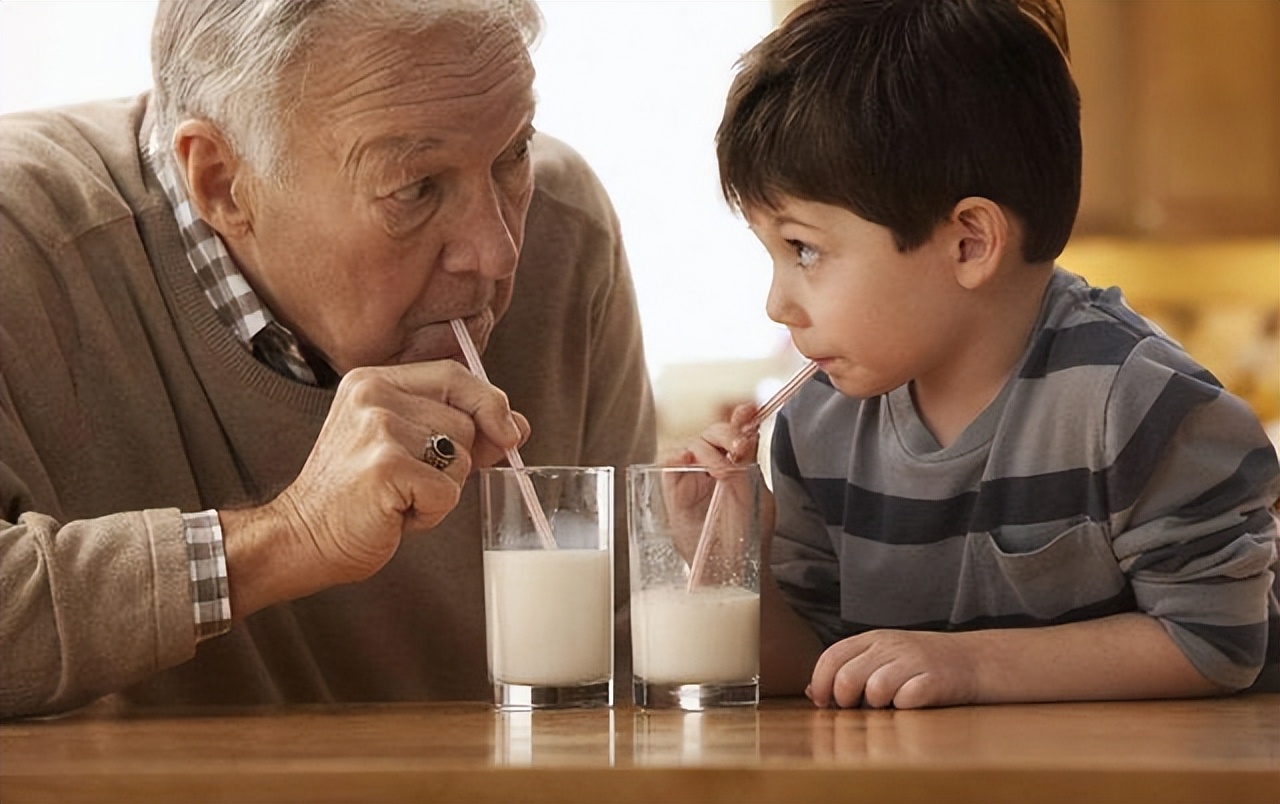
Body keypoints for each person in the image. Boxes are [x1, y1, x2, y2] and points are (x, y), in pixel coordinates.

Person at [0, 0, 655, 719]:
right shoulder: (22, 249)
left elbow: (629, 652)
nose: (496, 253)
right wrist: (292, 536)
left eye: (512, 154)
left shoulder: (568, 230)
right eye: (416, 188)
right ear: (222, 182)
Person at [679, 0, 1280, 709]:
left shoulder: (1144, 408)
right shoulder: (820, 423)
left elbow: (1218, 643)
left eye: (805, 249)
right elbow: (818, 664)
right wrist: (722, 559)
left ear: (970, 243)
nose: (777, 305)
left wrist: (969, 665)